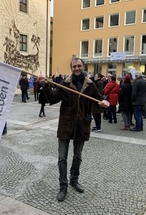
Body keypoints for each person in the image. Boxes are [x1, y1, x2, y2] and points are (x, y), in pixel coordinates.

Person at [42, 58, 108, 202]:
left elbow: (98, 99)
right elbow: (52, 99)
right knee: (62, 158)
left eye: (79, 66)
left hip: (82, 125)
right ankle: (63, 186)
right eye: (74, 66)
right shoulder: (64, 84)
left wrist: (104, 103)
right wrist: (46, 85)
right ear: (71, 68)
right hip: (66, 124)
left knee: (77, 156)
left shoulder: (90, 85)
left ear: (83, 66)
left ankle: (74, 180)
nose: (77, 68)